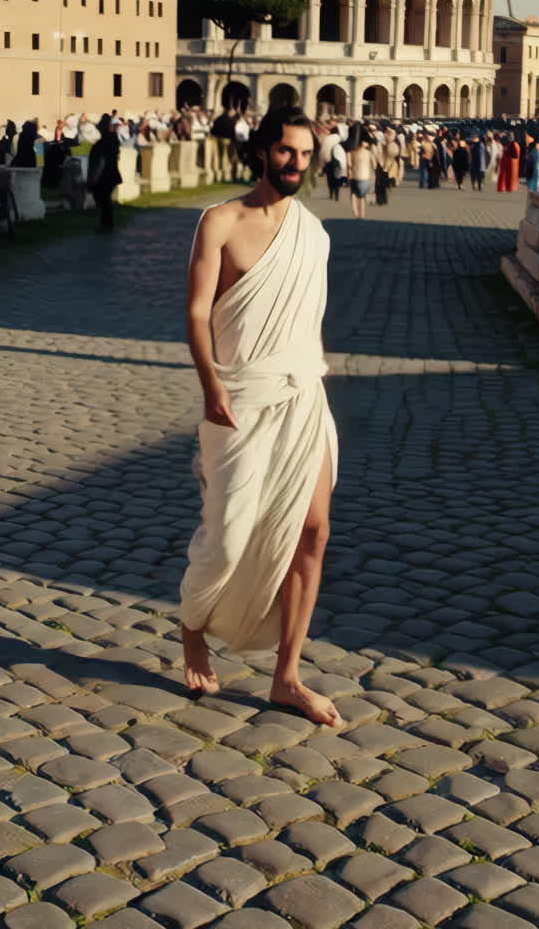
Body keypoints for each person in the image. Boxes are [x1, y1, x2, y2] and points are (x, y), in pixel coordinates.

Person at [180, 106, 340, 727]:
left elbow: (308, 320)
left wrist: (310, 376)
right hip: (240, 396)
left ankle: (287, 676)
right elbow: (197, 314)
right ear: (263, 152)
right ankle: (194, 624)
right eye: (285, 152)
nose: (296, 163)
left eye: (305, 153)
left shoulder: (315, 234)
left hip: (301, 392)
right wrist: (210, 385)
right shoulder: (220, 222)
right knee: (227, 539)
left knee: (313, 532)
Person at [86, 113, 122, 231]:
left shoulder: (104, 142)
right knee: (105, 200)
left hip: (104, 175)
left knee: (103, 199)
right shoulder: (113, 139)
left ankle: (105, 224)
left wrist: (94, 178)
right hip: (111, 173)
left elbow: (101, 161)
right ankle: (107, 223)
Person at [347, 127, 375, 218]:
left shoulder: (353, 152)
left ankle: (355, 211)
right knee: (362, 197)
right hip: (365, 177)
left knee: (353, 194)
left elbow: (349, 164)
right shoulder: (368, 153)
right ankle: (362, 215)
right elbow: (374, 165)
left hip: (355, 176)